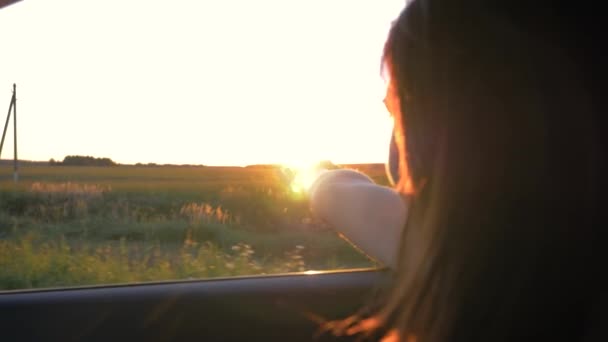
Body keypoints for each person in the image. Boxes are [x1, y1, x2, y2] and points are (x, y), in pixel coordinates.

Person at [309, 1, 603, 341]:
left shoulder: (479, 260)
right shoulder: (561, 245)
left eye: (400, 112)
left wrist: (319, 180)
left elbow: (334, 193)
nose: (398, 168)